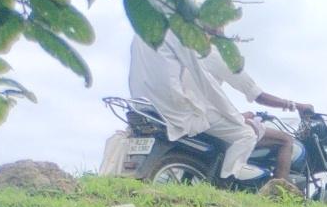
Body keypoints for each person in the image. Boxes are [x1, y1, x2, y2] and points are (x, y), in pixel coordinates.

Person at [129, 29, 313, 183]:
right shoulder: (216, 56)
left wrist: (239, 116)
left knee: (242, 124)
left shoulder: (186, 50)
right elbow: (257, 95)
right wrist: (296, 105)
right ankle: (259, 186)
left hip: (172, 108)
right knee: (278, 138)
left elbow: (207, 96)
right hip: (198, 115)